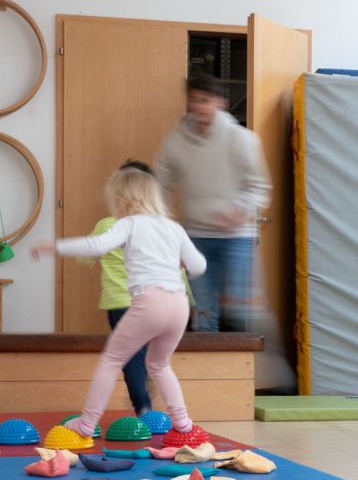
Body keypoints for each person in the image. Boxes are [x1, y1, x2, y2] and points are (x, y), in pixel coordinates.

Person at [31, 164, 207, 438]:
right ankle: (183, 424)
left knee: (112, 359)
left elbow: (96, 246)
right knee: (160, 364)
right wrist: (181, 262)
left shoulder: (129, 224)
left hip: (151, 302)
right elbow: (198, 266)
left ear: (124, 200)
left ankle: (87, 422)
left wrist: (54, 247)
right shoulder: (173, 228)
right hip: (178, 306)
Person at [154, 71, 271, 332]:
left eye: (206, 100)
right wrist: (164, 224)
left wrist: (240, 209)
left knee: (239, 313)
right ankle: (207, 374)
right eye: (194, 99)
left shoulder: (242, 138)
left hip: (237, 238)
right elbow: (158, 185)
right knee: (204, 313)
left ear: (220, 102)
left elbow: (260, 187)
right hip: (196, 237)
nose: (199, 106)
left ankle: (242, 373)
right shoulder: (174, 142)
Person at [84, 160, 158, 418]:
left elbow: (86, 255)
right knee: (145, 352)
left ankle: (143, 405)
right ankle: (146, 395)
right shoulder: (156, 228)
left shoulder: (108, 225)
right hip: (153, 302)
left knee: (130, 357)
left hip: (120, 303)